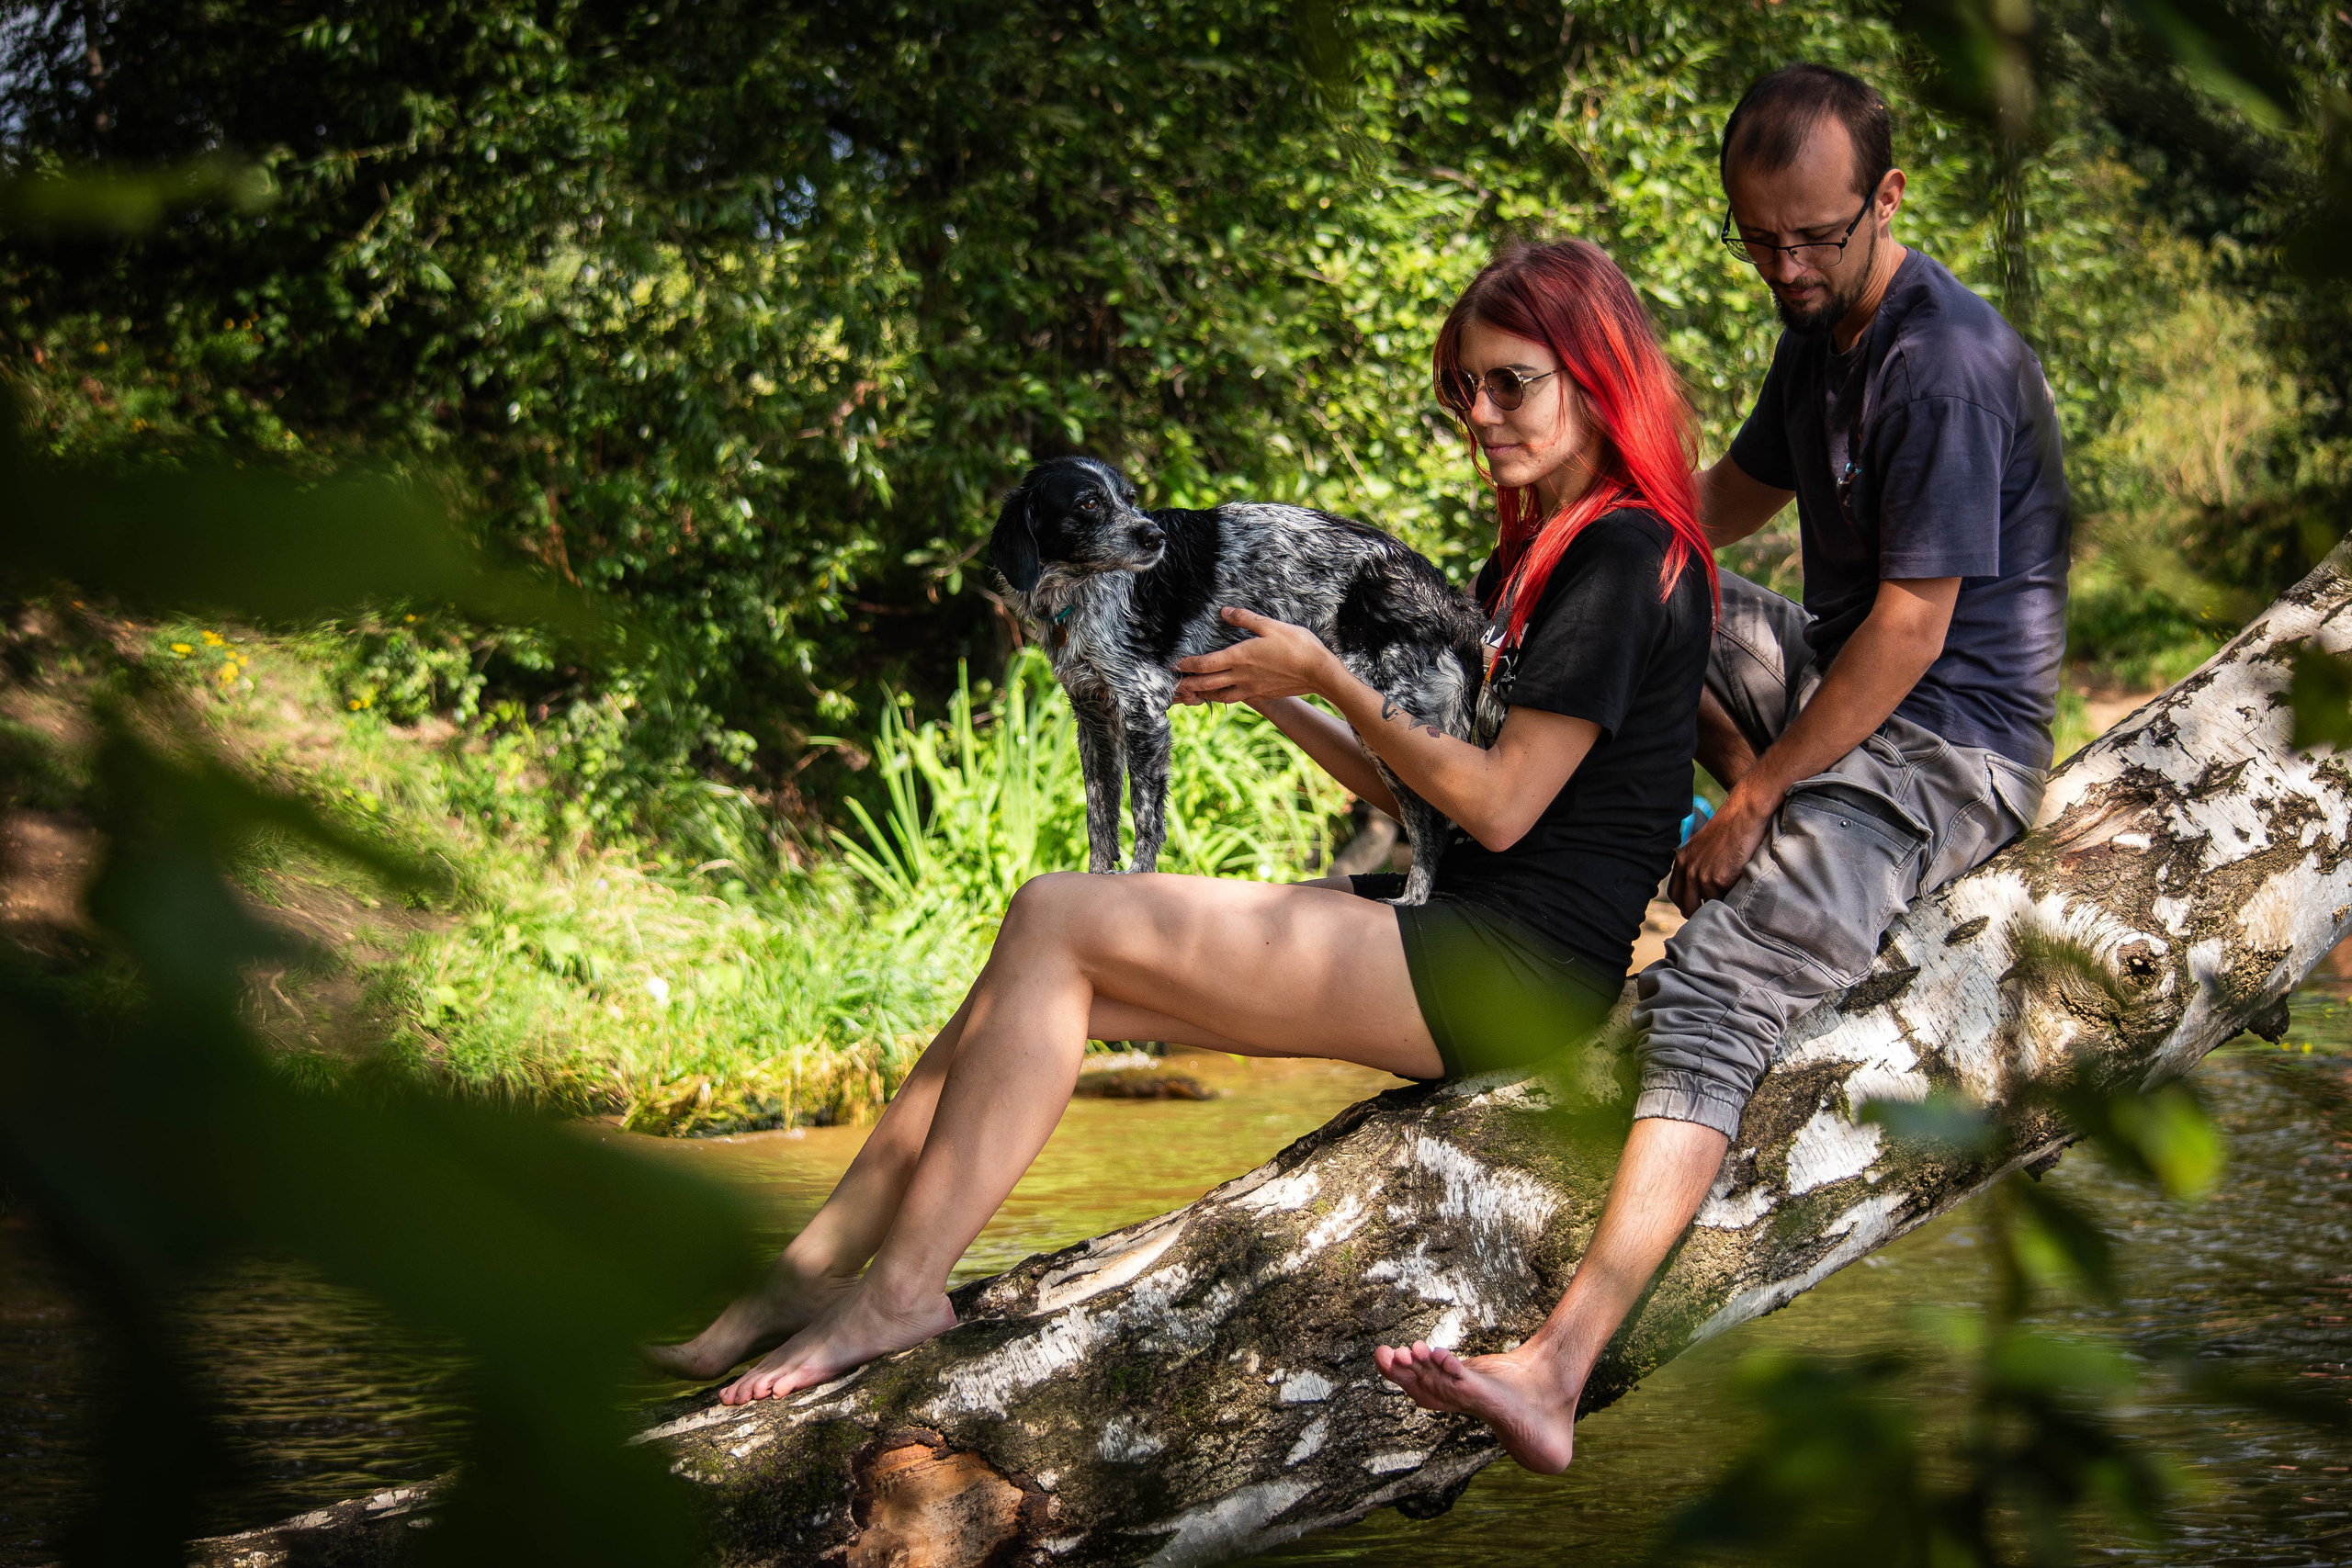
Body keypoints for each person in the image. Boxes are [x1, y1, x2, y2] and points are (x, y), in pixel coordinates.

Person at [644, 238, 1719, 1406]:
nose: (1482, 415)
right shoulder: (1532, 557)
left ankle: (899, 1293)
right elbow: (1413, 792)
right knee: (1021, 983)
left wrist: (1332, 676)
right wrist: (1285, 693)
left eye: (1513, 382)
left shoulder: (1624, 554)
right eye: (1463, 388)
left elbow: (1502, 810)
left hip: (1515, 965)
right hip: (1465, 922)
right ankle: (804, 1278)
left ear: (1599, 370)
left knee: (1058, 912)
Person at [1375, 62, 2068, 1472]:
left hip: (1946, 741)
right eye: (1761, 240)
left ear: (1887, 197)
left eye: (1816, 235)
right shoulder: (1820, 328)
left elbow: (1916, 630)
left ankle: (1556, 1369)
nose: (1789, 266)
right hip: (1835, 666)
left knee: (1715, 988)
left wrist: (1759, 792)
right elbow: (1706, 512)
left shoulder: (1940, 363)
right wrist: (1564, 575)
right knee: (1634, 592)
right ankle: (1521, 879)